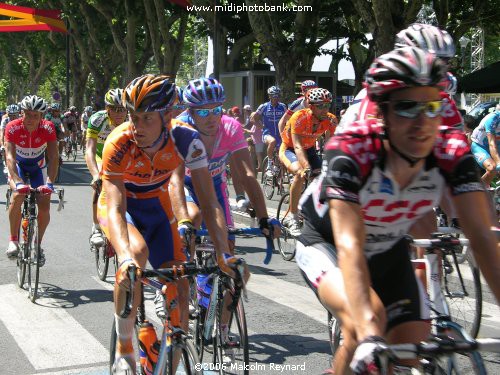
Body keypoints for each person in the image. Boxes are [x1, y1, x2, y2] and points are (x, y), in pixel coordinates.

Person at [296, 47, 500, 375]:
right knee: (367, 323)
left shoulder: (450, 152)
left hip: (388, 249)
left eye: (432, 106)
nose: (422, 122)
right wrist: (369, 334)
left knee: (411, 349)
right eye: (406, 107)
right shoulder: (351, 154)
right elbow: (350, 246)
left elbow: (482, 235)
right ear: (381, 113)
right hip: (329, 244)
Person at [101, 75, 242, 374]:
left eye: (146, 119)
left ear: (168, 115)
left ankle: (173, 354)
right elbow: (114, 204)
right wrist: (124, 256)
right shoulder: (118, 142)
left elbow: (209, 202)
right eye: (133, 117)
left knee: (179, 283)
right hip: (122, 208)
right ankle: (124, 347)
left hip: (157, 206)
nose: (136, 127)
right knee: (135, 255)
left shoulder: (187, 141)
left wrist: (222, 253)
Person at [178, 77, 280, 246]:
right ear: (190, 112)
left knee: (228, 246)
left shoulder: (231, 127)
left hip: (215, 183)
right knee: (193, 219)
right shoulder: (180, 128)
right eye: (203, 112)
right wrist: (183, 220)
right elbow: (173, 180)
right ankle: (188, 263)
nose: (211, 118)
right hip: (186, 184)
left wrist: (263, 218)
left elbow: (247, 174)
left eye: (216, 110)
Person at [4, 95, 58, 264]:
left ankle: (37, 244)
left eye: (35, 115)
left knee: (44, 204)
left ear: (42, 117)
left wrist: (49, 182)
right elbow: (10, 157)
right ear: (22, 113)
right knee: (18, 195)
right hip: (18, 166)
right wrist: (17, 182)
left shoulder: (48, 128)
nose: (30, 119)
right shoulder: (12, 127)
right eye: (27, 114)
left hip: (38, 167)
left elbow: (54, 157)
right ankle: (13, 240)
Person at [279, 88, 337, 236]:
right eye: (321, 106)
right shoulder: (299, 117)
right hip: (290, 148)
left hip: (310, 149)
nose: (325, 109)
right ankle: (292, 217)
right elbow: (297, 145)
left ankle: (312, 210)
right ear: (311, 106)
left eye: (327, 105)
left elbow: (331, 144)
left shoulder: (330, 119)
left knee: (322, 179)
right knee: (300, 173)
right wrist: (305, 167)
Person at [85, 88, 128, 246]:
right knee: (100, 183)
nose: (119, 114)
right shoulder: (97, 119)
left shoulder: (131, 121)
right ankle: (96, 227)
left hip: (120, 155)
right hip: (100, 154)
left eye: (122, 109)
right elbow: (89, 150)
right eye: (114, 109)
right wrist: (95, 175)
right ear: (107, 109)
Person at [254, 86, 287, 175]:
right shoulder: (264, 106)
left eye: (277, 96)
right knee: (272, 142)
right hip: (267, 133)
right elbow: (254, 118)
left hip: (280, 135)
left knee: (281, 155)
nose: (276, 98)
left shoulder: (283, 106)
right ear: (270, 96)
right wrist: (261, 126)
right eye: (273, 96)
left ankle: (279, 178)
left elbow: (288, 119)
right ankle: (269, 164)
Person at [470, 103, 500, 185]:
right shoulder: (492, 118)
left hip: (497, 145)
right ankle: (478, 191)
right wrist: (499, 163)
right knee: (492, 168)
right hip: (480, 146)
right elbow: (491, 143)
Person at [1, 104, 21, 174]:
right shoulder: (5, 121)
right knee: (4, 149)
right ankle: (7, 165)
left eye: (15, 115)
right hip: (8, 138)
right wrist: (2, 145)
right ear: (8, 115)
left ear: (18, 114)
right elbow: (2, 134)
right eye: (10, 115)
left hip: (19, 137)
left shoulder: (21, 120)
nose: (12, 117)